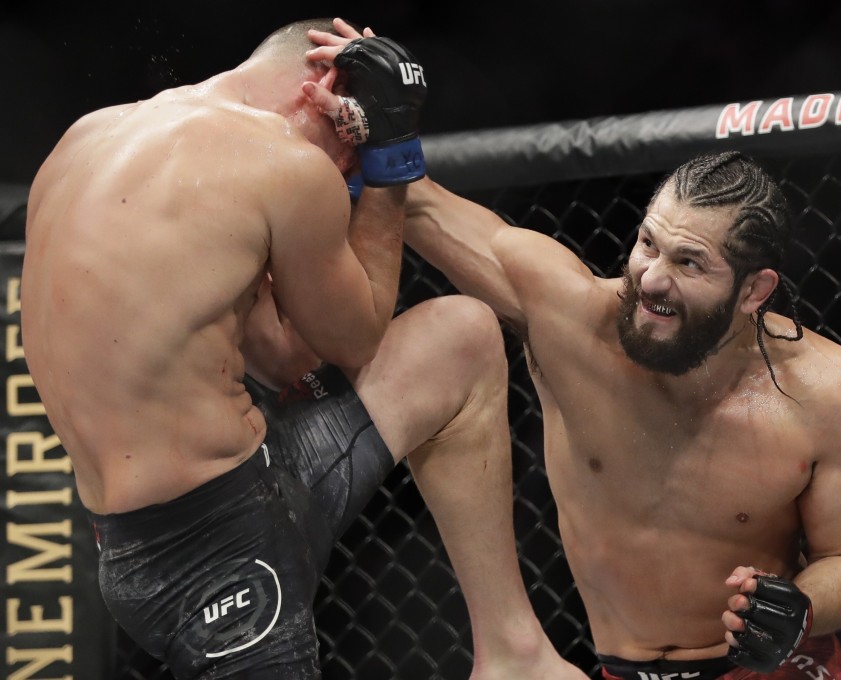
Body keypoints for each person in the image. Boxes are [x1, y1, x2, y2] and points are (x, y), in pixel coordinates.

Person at [22, 17, 586, 680]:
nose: (345, 170)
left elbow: (285, 359)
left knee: (458, 337)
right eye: (351, 146)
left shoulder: (89, 136)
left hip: (139, 542)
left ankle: (515, 656)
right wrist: (390, 162)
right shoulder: (283, 164)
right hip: (223, 557)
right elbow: (358, 335)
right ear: (322, 88)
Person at [303, 28, 841, 677]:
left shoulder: (824, 390)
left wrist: (801, 607)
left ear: (755, 291)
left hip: (771, 667)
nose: (653, 278)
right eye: (648, 244)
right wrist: (373, 122)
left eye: (691, 263)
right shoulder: (573, 320)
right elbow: (425, 205)